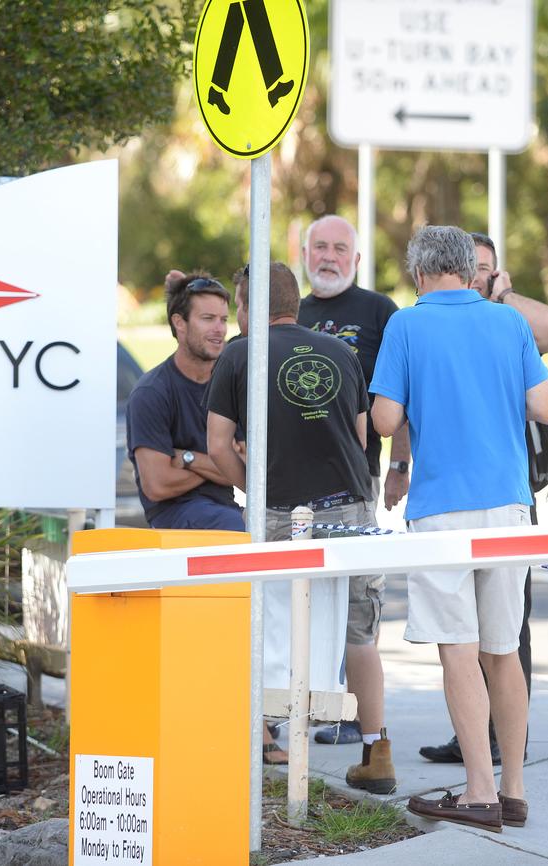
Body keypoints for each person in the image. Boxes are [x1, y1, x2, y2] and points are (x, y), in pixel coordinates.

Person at [370, 225, 548, 831]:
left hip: (443, 507)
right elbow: (545, 406)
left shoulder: (405, 324)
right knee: (505, 650)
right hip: (508, 504)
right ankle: (514, 789)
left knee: (460, 650)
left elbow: (384, 420)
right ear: (471, 272)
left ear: (420, 272)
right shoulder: (508, 324)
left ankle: (477, 791)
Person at [207, 262, 396, 794]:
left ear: (246, 306)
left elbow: (218, 443)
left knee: (267, 622)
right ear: (297, 302)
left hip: (281, 511)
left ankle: (267, 739)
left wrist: (252, 490)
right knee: (359, 631)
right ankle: (376, 752)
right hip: (352, 509)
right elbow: (361, 439)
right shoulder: (340, 352)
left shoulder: (240, 354)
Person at [419, 232, 548, 765]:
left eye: (486, 268)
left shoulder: (508, 322)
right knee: (466, 634)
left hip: (508, 492)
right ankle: (477, 744)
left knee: (505, 630)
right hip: (459, 492)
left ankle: (507, 744)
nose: (476, 276)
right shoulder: (435, 324)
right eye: (470, 267)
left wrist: (501, 295)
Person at [298, 214, 411, 745]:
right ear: (304, 254)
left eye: (339, 248)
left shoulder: (378, 311)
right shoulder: (289, 314)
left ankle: (365, 729)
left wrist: (399, 464)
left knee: (355, 605)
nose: (328, 256)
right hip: (288, 487)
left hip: (356, 480)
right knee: (296, 603)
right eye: (319, 246)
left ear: (357, 259)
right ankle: (304, 714)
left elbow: (402, 394)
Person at [126, 272, 244, 532]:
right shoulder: (151, 392)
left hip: (228, 509)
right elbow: (157, 485)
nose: (220, 330)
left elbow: (248, 474)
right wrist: (223, 462)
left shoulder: (231, 384)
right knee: (250, 532)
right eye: (208, 319)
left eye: (224, 320)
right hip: (177, 520)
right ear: (179, 323)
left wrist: (187, 458)